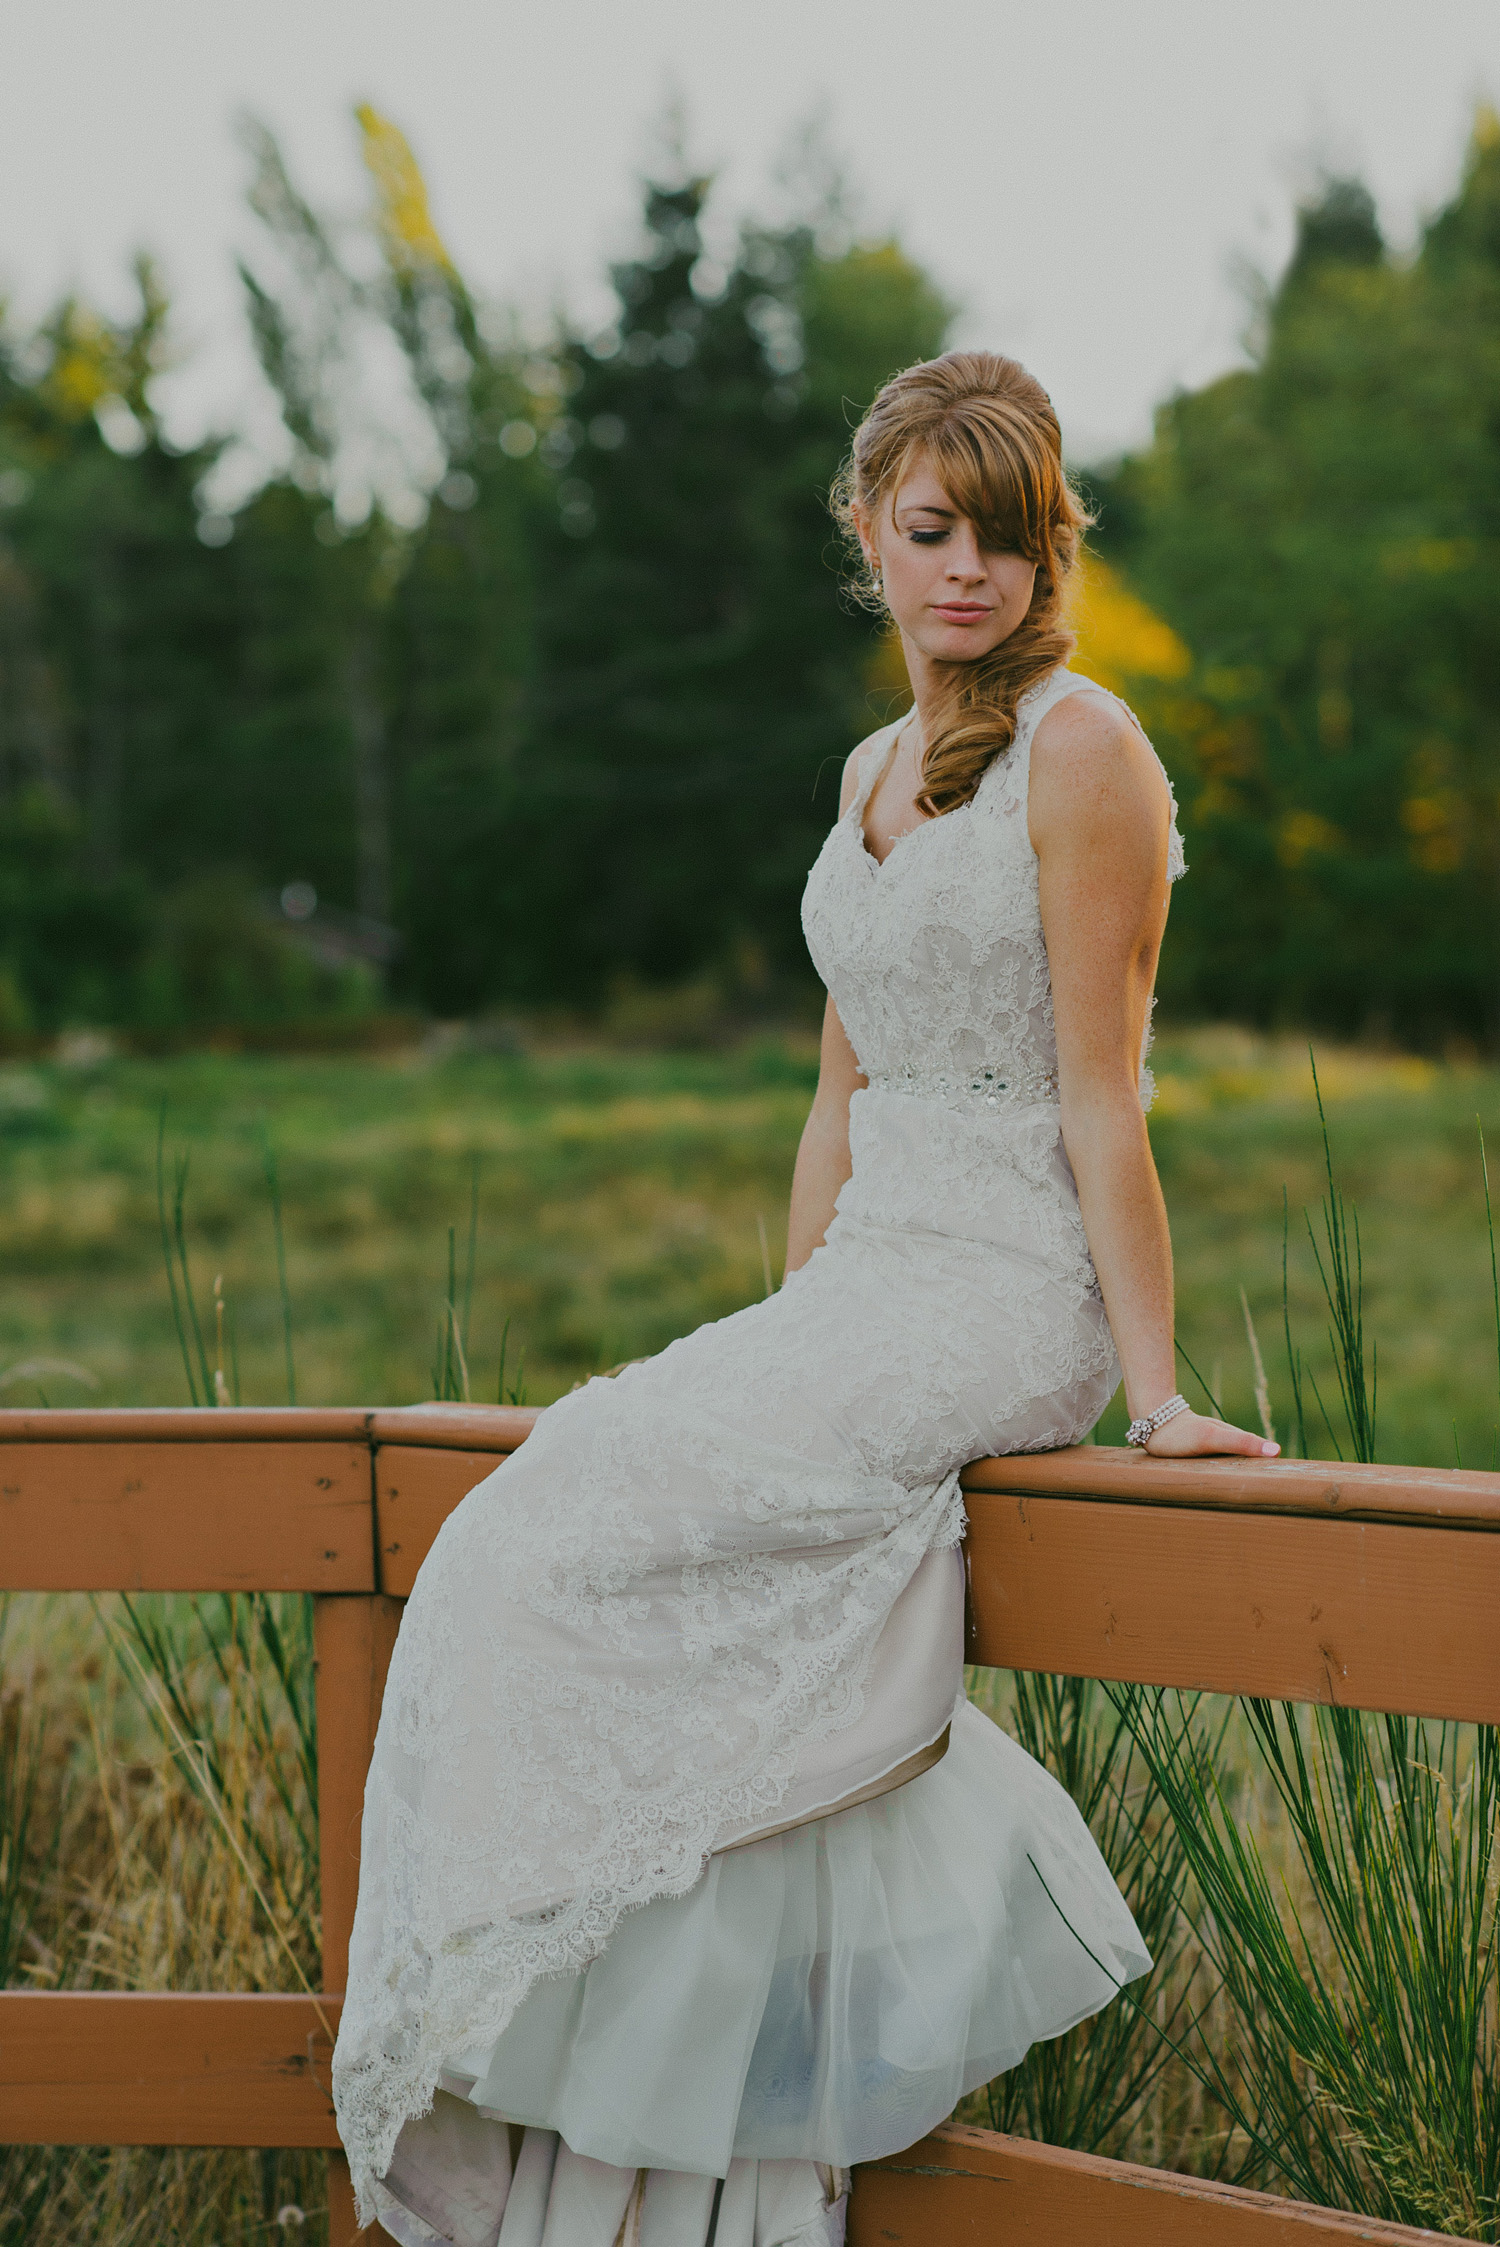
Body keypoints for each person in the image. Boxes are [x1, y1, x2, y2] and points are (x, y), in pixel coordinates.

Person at [331, 349, 1278, 2247]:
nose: (968, 578)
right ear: (866, 533)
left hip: (1009, 1285)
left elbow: (1106, 1096)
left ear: (1044, 556)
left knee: (556, 1536)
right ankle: (572, 2107)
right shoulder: (864, 771)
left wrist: (1158, 1392)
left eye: (1005, 544)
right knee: (527, 1531)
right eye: (931, 536)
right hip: (867, 1287)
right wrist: (788, 1331)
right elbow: (839, 1097)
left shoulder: (1086, 752)